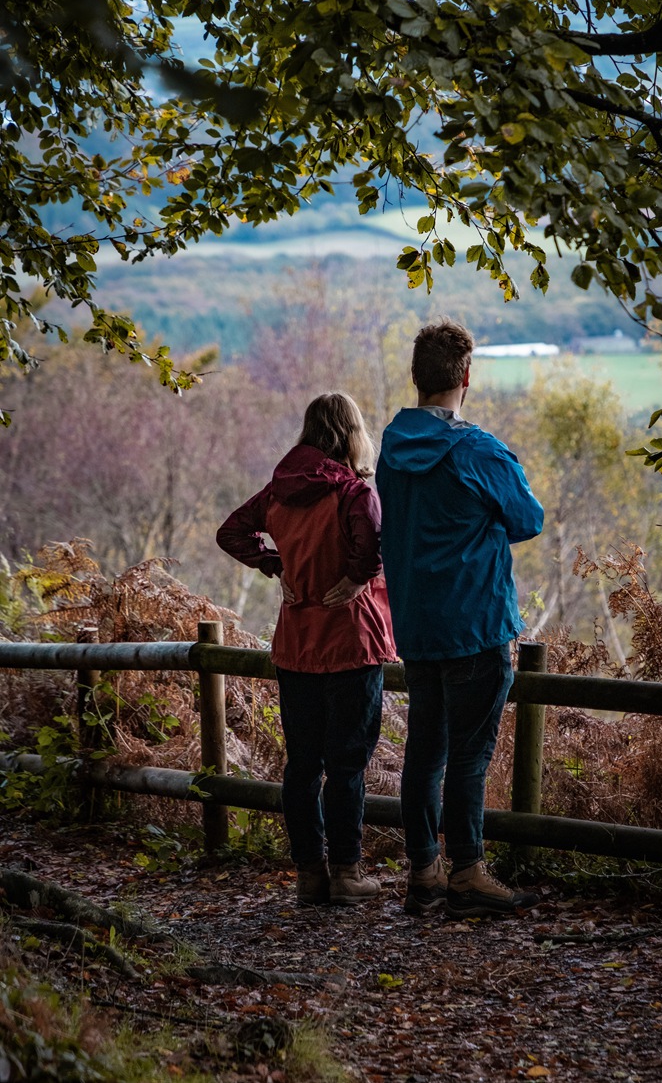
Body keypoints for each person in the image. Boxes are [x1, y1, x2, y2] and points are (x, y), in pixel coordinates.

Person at [375, 320, 544, 919]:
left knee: (424, 754)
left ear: (416, 376)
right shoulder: (477, 450)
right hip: (475, 624)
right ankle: (468, 873)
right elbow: (528, 519)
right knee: (469, 758)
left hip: (417, 627)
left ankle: (424, 872)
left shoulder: (391, 449)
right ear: (466, 376)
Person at [217, 392, 396, 906]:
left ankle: (309, 875)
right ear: (352, 434)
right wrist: (357, 578)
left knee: (302, 766)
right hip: (350, 644)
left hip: (296, 645)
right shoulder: (353, 492)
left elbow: (231, 532)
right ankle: (346, 873)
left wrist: (275, 564)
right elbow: (376, 543)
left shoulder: (280, 492)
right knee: (346, 766)